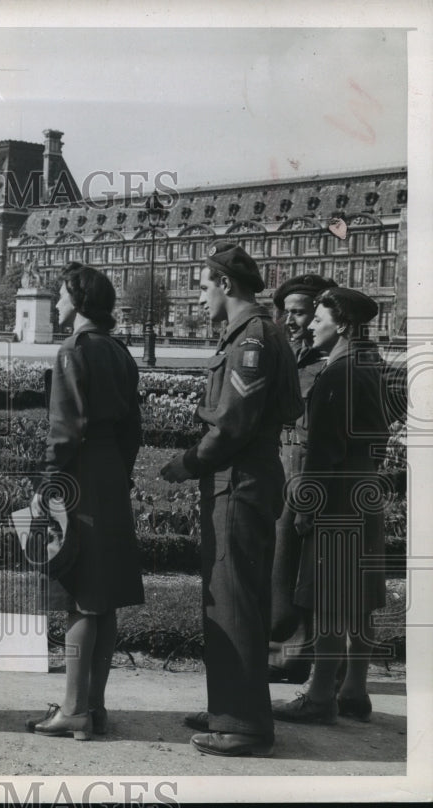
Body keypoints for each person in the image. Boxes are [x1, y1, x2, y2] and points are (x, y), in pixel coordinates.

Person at [160, 242, 302, 757]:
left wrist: (186, 463)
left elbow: (232, 426)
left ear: (225, 284)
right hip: (239, 478)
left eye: (203, 286)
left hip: (238, 479)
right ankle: (228, 706)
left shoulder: (253, 340)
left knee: (236, 596)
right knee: (228, 593)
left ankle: (243, 723)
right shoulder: (254, 334)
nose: (199, 298)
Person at [25, 263, 144, 741]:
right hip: (111, 475)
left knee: (78, 597)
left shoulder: (73, 350)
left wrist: (50, 484)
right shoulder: (119, 351)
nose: (55, 304)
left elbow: (65, 428)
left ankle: (73, 710)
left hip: (78, 478)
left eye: (60, 295)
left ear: (77, 299)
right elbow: (134, 429)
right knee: (105, 599)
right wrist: (116, 472)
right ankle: (93, 706)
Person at [271, 288, 390, 726]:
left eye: (318, 317)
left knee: (328, 597)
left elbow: (322, 450)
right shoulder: (371, 363)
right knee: (357, 599)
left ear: (341, 325)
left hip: (336, 496)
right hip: (364, 490)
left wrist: (305, 508)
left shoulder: (338, 372)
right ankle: (355, 690)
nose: (312, 325)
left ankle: (320, 696)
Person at [268, 274, 338, 684]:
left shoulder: (328, 359)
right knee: (279, 560)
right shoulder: (288, 353)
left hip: (306, 463)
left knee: (301, 566)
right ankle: (278, 652)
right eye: (287, 312)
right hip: (281, 458)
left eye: (300, 312)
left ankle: (294, 657)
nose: (291, 320)